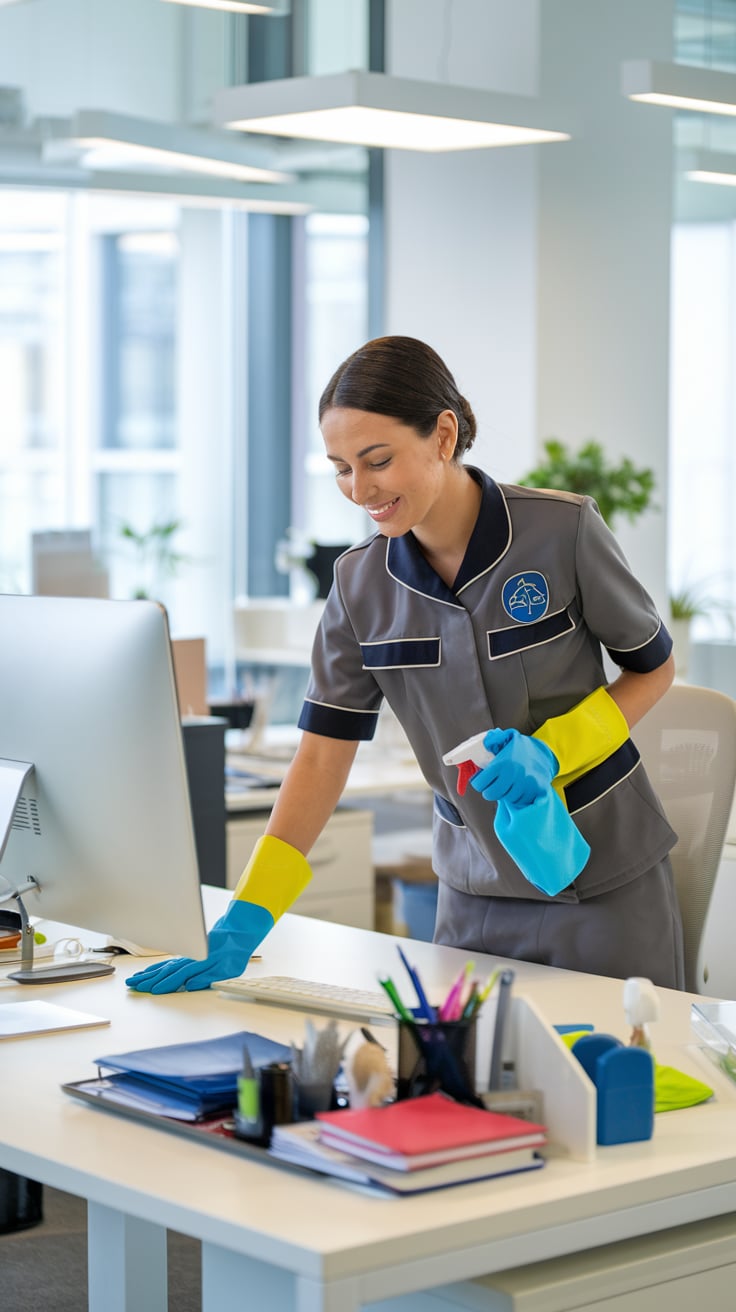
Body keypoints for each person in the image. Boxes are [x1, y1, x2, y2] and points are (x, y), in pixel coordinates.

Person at [127, 335, 684, 996]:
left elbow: (653, 669)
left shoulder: (561, 531)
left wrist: (552, 752)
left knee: (629, 1084)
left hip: (608, 882)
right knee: (461, 1088)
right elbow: (320, 759)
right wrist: (247, 916)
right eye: (339, 468)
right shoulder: (359, 586)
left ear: (443, 435)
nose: (359, 489)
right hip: (474, 895)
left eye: (377, 460)